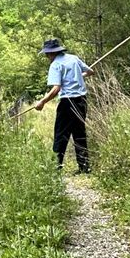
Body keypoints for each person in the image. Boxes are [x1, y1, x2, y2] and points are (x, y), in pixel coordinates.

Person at [34, 38, 93, 174]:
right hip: (81, 101)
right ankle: (84, 167)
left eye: (47, 54)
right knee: (79, 133)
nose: (47, 56)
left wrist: (42, 102)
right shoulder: (74, 58)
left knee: (61, 134)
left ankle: (56, 167)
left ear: (51, 53)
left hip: (67, 102)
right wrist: (77, 76)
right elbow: (90, 72)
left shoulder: (55, 65)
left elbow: (56, 89)